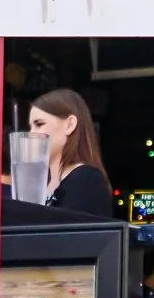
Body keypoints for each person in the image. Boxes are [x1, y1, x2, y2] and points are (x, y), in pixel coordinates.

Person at [28, 90, 115, 218]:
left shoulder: (86, 180)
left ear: (69, 125)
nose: (31, 134)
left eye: (39, 124)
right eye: (30, 127)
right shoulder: (42, 183)